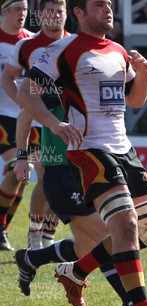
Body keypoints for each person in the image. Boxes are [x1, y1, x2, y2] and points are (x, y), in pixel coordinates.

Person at [17, 0, 147, 306]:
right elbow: (25, 93)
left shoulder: (119, 50)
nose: (108, 9)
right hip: (90, 150)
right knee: (126, 224)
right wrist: (54, 124)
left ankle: (75, 271)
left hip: (125, 150)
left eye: (109, 5)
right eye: (99, 5)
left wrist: (144, 74)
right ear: (79, 12)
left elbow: (134, 100)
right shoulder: (63, 50)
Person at [1, 0, 69, 250]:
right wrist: (24, 103)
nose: (55, 16)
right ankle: (33, 234)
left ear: (66, 14)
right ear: (40, 15)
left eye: (59, 11)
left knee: (60, 178)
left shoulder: (73, 44)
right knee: (42, 175)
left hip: (64, 124)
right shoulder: (27, 46)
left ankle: (47, 236)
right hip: (30, 123)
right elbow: (8, 77)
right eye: (49, 11)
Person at [0, 0, 34, 251]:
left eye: (25, 9)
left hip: (26, 118)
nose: (22, 14)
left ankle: (2, 228)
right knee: (15, 167)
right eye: (17, 9)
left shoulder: (31, 42)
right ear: (4, 11)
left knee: (22, 173)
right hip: (1, 116)